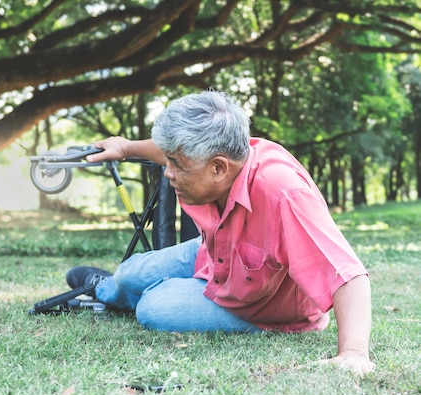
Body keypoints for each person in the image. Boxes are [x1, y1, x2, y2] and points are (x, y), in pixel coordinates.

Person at [66, 90, 375, 376]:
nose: (168, 172)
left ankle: (144, 291)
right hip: (216, 255)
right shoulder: (214, 156)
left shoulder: (283, 192)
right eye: (169, 160)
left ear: (218, 168)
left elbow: (348, 275)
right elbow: (171, 151)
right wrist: (124, 147)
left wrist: (354, 353)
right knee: (129, 274)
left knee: (153, 306)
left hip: (261, 307)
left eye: (177, 165)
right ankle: (108, 289)